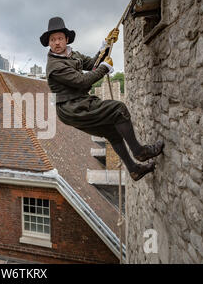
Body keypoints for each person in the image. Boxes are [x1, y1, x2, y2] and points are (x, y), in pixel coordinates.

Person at [41, 17, 164, 181]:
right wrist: (104, 68)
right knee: (119, 109)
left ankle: (134, 169)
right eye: (53, 39)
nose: (57, 42)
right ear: (49, 43)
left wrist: (106, 46)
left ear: (66, 39)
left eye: (60, 38)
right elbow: (83, 81)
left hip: (80, 102)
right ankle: (140, 152)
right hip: (71, 108)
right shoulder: (55, 66)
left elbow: (92, 63)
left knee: (112, 132)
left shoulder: (73, 55)